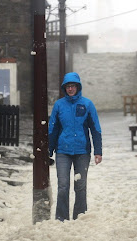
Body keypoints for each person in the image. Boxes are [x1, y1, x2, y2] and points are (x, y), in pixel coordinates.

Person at [48, 72, 102, 221]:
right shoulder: (59, 105)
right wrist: (49, 150)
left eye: (73, 86)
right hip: (62, 151)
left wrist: (98, 151)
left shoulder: (87, 104)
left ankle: (80, 217)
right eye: (67, 87)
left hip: (82, 152)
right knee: (63, 186)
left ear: (78, 87)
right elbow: (53, 129)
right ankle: (61, 218)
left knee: (80, 186)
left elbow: (95, 128)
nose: (70, 89)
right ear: (64, 88)